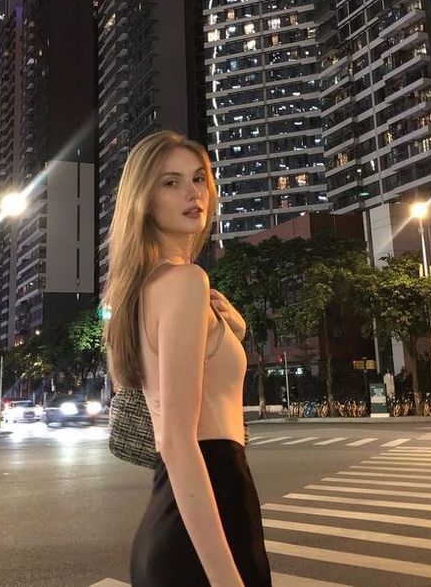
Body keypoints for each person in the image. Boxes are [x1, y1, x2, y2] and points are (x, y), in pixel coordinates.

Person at [104, 130, 271, 587]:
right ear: (143, 199)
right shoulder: (184, 282)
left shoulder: (145, 290)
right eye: (170, 182)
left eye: (199, 178)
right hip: (206, 523)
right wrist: (225, 579)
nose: (193, 192)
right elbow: (178, 440)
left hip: (180, 519)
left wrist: (231, 335)